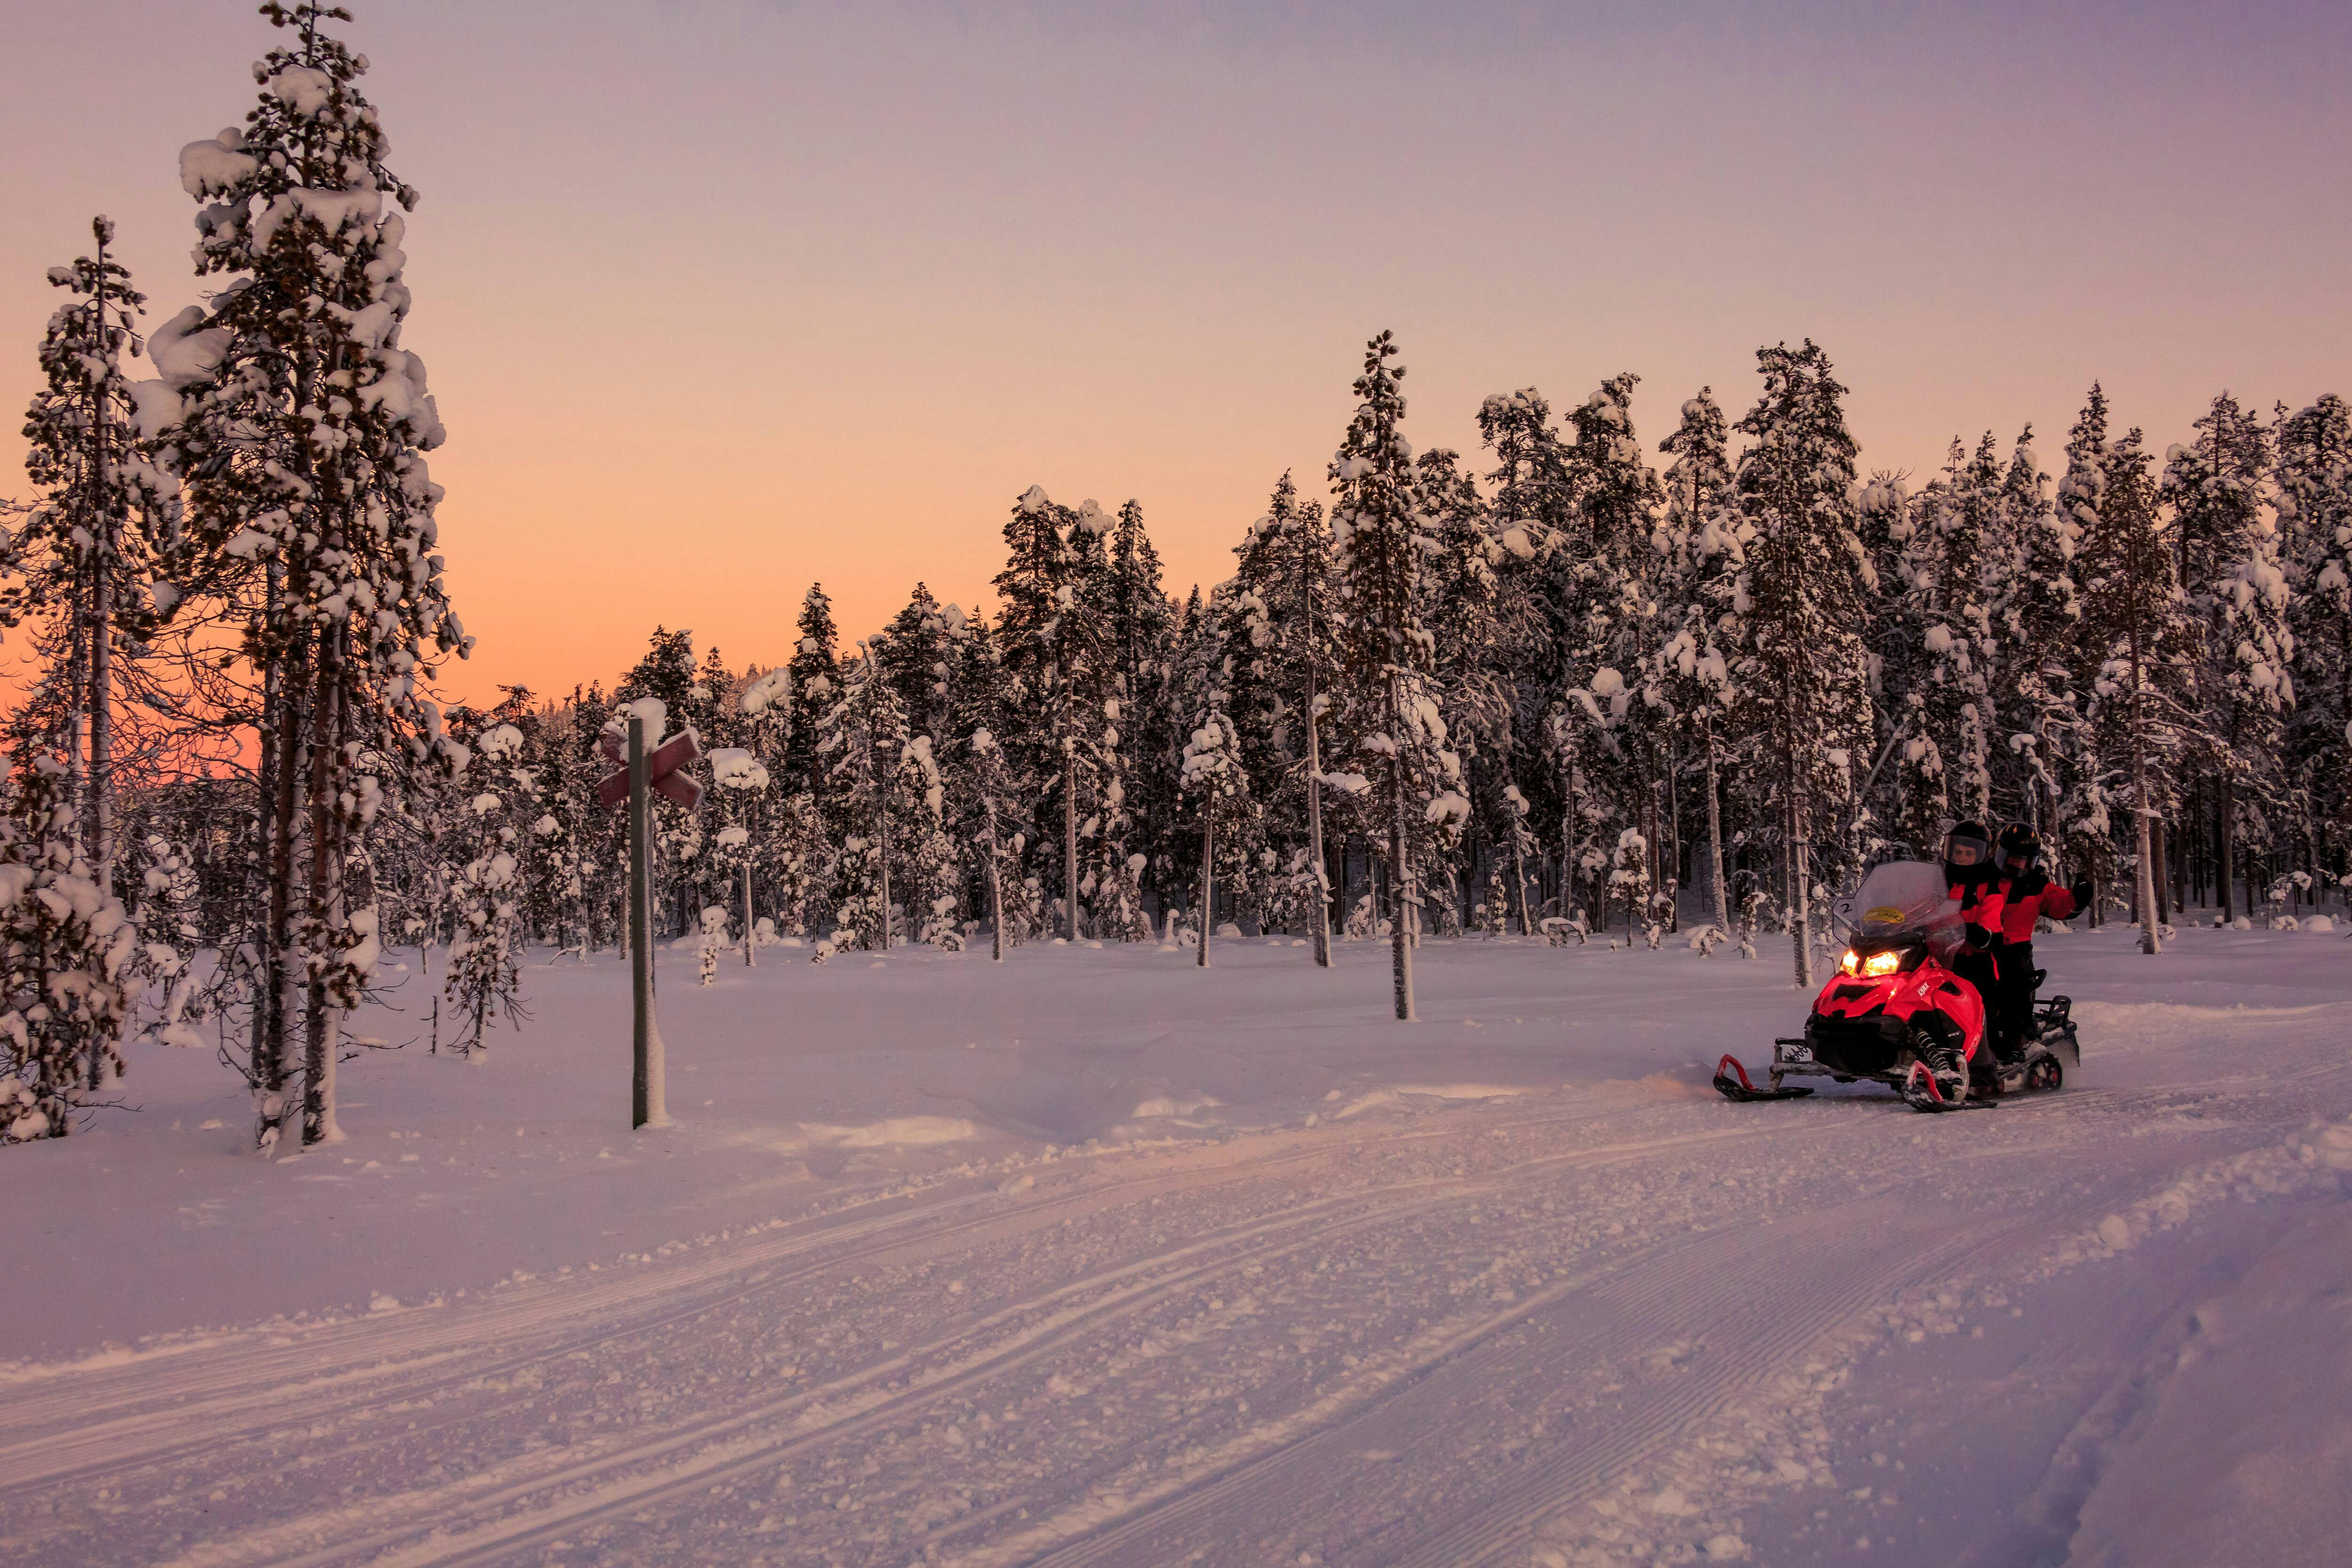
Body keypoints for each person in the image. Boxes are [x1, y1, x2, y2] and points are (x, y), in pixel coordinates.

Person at [1989, 824, 2091, 1060]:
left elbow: (2059, 903)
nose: (2016, 863)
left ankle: (2021, 1038)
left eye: (2022, 859)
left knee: (2015, 985)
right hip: (1979, 945)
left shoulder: (2036, 885)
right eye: (2011, 857)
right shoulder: (1985, 878)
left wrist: (2078, 899)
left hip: (2015, 948)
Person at [1939, 821, 2007, 1077]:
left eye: (1969, 853)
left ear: (1980, 855)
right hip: (1940, 958)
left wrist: (1974, 931)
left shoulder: (1989, 888)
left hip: (1975, 959)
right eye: (1958, 852)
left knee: (1977, 1002)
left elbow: (1991, 926)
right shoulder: (1939, 883)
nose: (1963, 858)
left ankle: (1984, 1064)